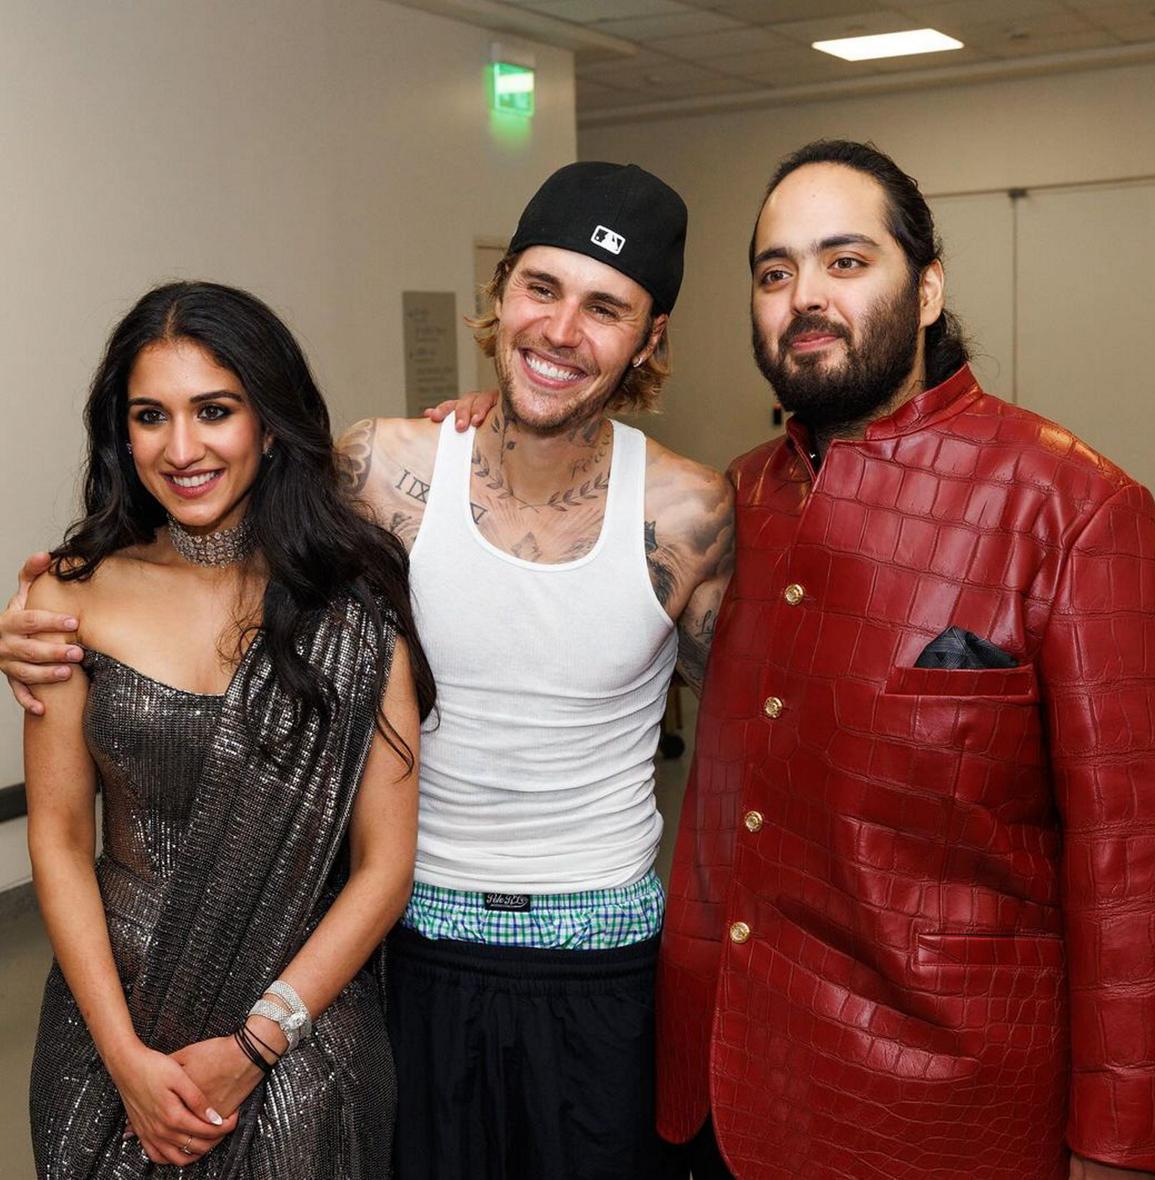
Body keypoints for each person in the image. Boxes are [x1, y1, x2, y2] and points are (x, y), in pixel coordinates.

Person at [4, 165, 734, 1179]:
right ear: (500, 295)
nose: (562, 330)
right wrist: (42, 622)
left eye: (604, 307)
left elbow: (763, 725)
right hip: (417, 954)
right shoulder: (387, 474)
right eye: (540, 290)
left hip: (602, 960)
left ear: (650, 339)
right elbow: (245, 530)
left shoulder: (692, 516)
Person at [653, 141, 1155, 1179]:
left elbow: (1145, 883)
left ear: (929, 287)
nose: (804, 296)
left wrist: (1129, 1151)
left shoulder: (1075, 511)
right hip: (729, 1096)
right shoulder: (738, 501)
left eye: (845, 262)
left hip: (949, 1118)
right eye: (776, 272)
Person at [22, 281, 433, 1177]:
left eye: (214, 410)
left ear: (270, 422)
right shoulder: (66, 598)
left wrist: (257, 1044)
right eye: (149, 416)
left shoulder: (352, 607)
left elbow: (384, 867)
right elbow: (55, 839)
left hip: (300, 1042)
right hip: (110, 1026)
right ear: (120, 435)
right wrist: (123, 1058)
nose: (182, 448)